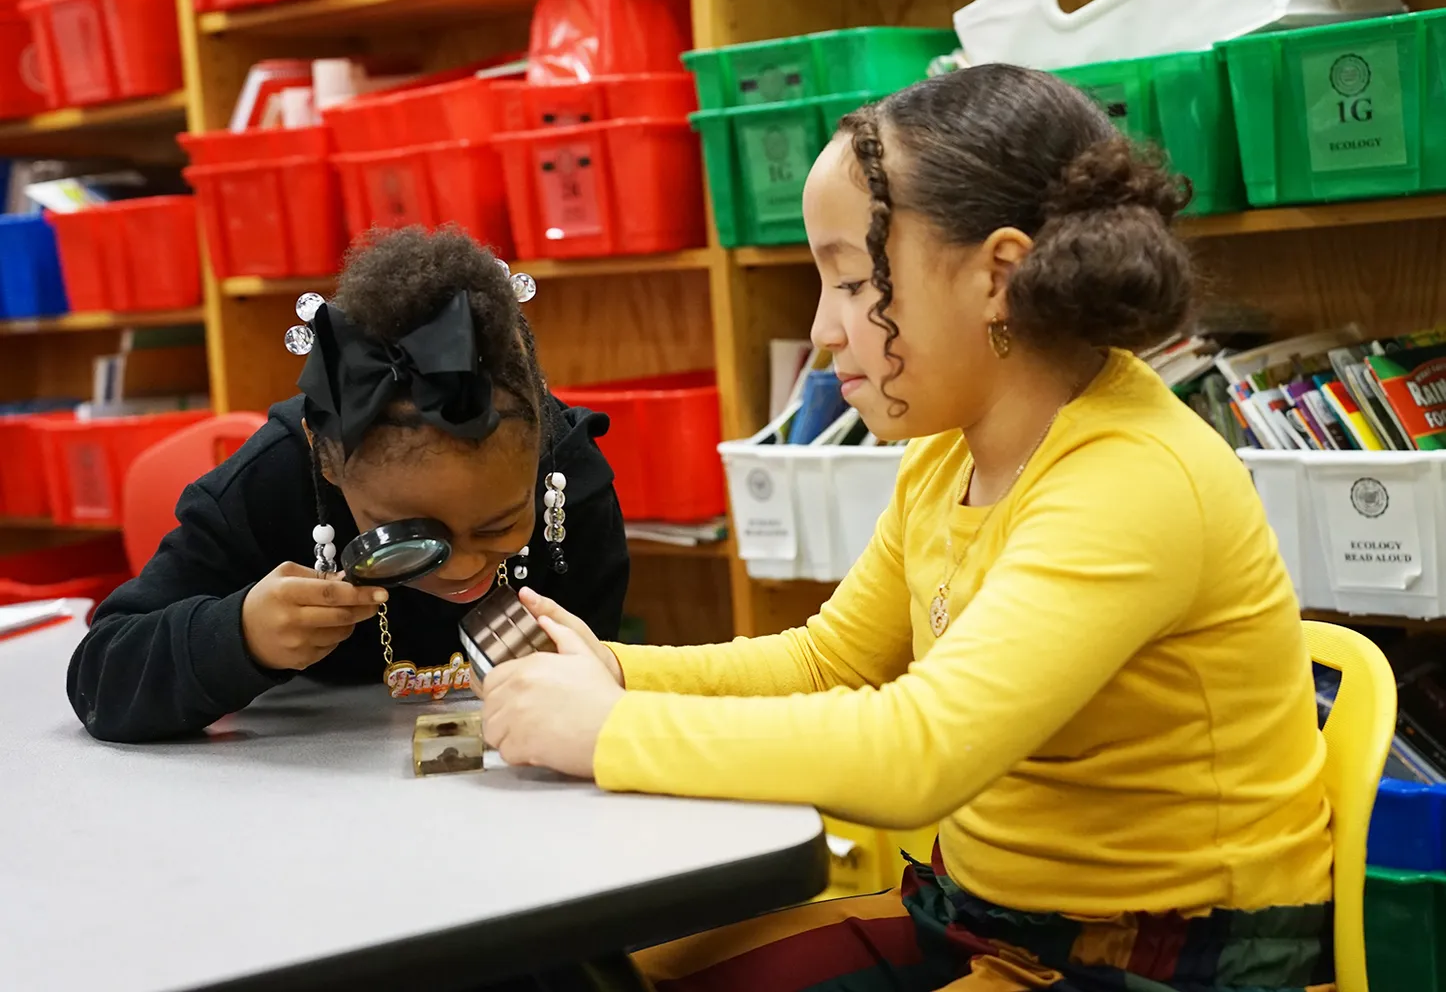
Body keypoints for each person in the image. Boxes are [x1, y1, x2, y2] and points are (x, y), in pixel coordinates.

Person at [475, 66, 1336, 992]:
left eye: (849, 280)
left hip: (1164, 960)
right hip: (981, 920)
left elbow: (917, 750)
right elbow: (829, 663)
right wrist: (620, 671)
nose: (823, 330)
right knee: (627, 970)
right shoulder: (949, 453)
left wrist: (610, 730)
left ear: (998, 277)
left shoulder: (1133, 479)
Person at [69, 226, 629, 744]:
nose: (460, 567)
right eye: (409, 533)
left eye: (501, 524)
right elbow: (100, 676)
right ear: (325, 458)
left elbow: (596, 675)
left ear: (539, 450)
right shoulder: (267, 484)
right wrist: (240, 636)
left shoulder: (570, 481)